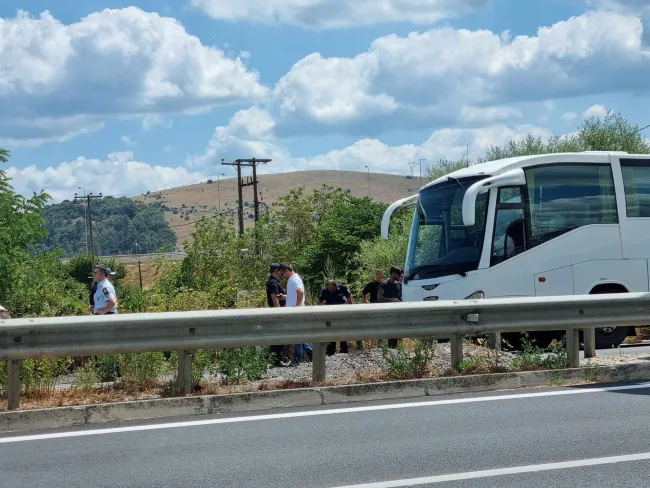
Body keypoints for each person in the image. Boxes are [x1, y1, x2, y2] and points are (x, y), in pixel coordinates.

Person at [279, 263, 312, 365]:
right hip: (294, 312)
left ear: (287, 271)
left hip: (296, 312)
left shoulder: (294, 280)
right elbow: (294, 295)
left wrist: (297, 307)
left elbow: (301, 292)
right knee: (299, 336)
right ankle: (313, 354)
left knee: (297, 336)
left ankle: (297, 360)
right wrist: (284, 297)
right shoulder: (293, 280)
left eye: (282, 274)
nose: (282, 276)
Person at [318, 279, 354, 356]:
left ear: (335, 286)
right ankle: (330, 352)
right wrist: (324, 308)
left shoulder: (343, 288)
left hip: (342, 313)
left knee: (343, 331)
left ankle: (344, 350)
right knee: (331, 332)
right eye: (329, 289)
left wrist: (349, 309)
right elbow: (319, 301)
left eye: (332, 289)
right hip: (330, 314)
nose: (331, 291)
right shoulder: (325, 291)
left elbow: (349, 299)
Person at [266, 263, 290, 367]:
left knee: (279, 336)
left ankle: (277, 359)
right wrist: (279, 313)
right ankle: (276, 360)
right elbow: (274, 297)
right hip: (277, 313)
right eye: (280, 270)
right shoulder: (273, 283)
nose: (282, 272)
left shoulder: (273, 282)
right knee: (279, 337)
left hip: (276, 312)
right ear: (276, 271)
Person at [378, 266, 403, 348]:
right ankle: (389, 350)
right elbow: (379, 298)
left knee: (397, 334)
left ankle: (395, 349)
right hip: (387, 312)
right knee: (390, 333)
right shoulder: (384, 284)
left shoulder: (399, 284)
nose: (400, 276)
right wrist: (391, 300)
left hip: (398, 312)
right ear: (393, 274)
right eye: (398, 274)